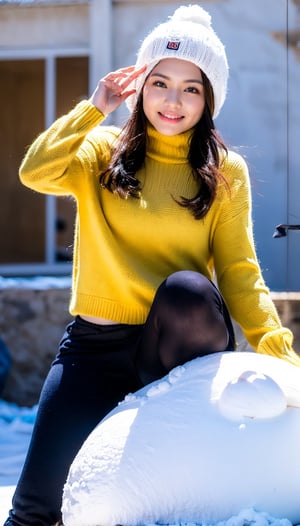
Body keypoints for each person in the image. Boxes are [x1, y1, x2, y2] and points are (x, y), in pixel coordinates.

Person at [4, 4, 300, 526]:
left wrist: (278, 350)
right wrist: (93, 108)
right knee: (33, 510)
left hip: (176, 347)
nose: (173, 100)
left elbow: (238, 272)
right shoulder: (100, 151)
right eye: (160, 82)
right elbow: (36, 171)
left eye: (192, 88)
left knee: (188, 288)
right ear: (139, 86)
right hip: (94, 349)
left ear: (209, 100)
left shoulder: (225, 171)